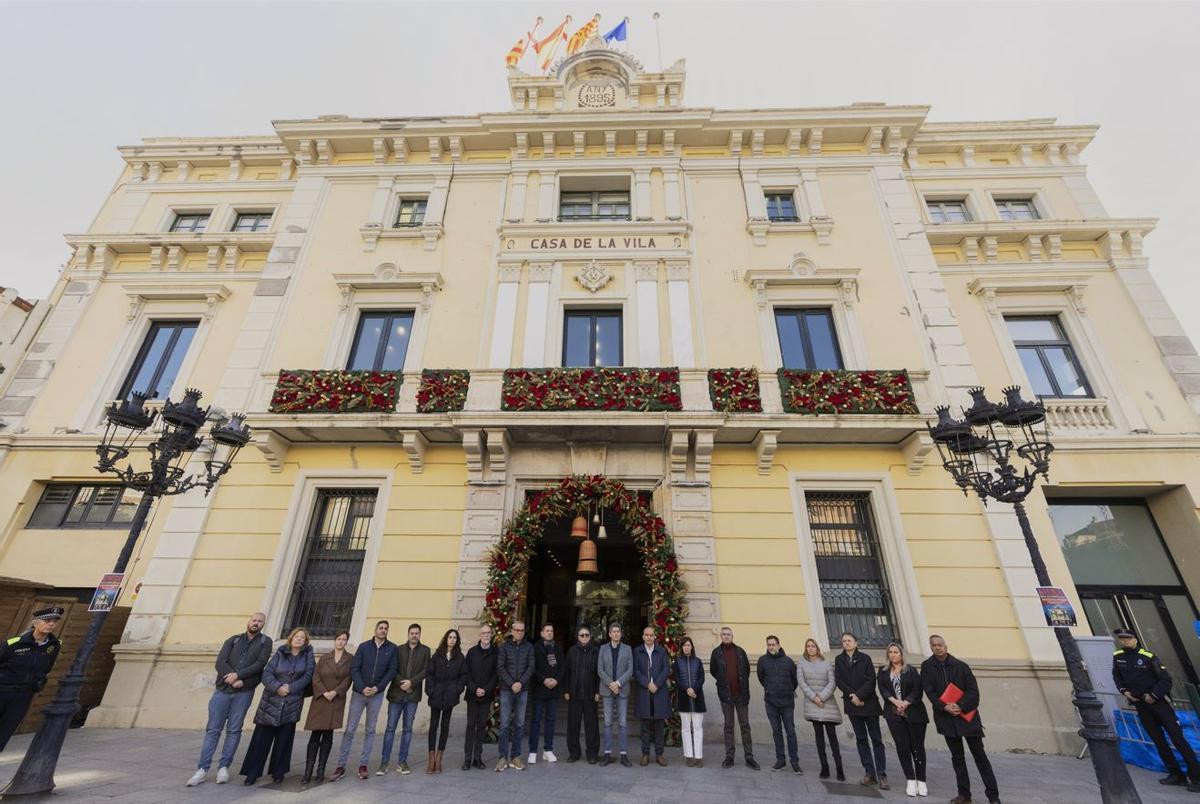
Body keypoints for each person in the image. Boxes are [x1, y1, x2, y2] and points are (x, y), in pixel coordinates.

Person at [187, 611, 271, 786]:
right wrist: (231, 677)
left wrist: (240, 677)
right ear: (248, 621)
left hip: (244, 692)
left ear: (263, 624)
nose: (256, 623)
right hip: (222, 690)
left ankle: (224, 767)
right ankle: (202, 769)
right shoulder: (233, 640)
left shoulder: (265, 642)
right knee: (213, 730)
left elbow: (260, 664)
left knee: (234, 730)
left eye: (260, 621)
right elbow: (220, 662)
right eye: (254, 620)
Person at [1111, 627, 1200, 791]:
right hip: (1141, 705)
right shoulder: (1118, 657)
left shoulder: (1149, 657)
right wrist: (1125, 691)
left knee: (1177, 739)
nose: (1125, 641)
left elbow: (1166, 680)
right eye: (1122, 638)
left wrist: (1154, 695)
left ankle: (1196, 777)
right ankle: (1176, 774)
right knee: (1158, 741)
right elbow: (1117, 677)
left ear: (1135, 639)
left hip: (1159, 704)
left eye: (1128, 638)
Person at [921, 635, 999, 804]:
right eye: (934, 645)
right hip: (946, 719)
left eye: (940, 644)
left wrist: (960, 706)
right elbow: (930, 691)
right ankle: (964, 795)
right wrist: (944, 706)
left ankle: (993, 796)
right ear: (931, 647)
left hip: (967, 718)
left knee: (980, 756)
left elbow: (973, 691)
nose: (937, 647)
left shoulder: (961, 666)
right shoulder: (927, 667)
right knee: (957, 758)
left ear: (946, 646)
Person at [239, 628, 315, 785]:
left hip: (292, 702)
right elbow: (267, 674)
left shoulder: (308, 656)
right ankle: (252, 773)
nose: (299, 639)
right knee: (261, 740)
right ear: (291, 638)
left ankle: (278, 772)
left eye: (302, 637)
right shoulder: (280, 653)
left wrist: (291, 688)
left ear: (305, 641)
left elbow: (308, 676)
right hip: (271, 701)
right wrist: (277, 687)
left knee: (284, 739)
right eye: (296, 636)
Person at [333, 620, 398, 782]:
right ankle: (341, 765)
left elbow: (392, 670)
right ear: (375, 630)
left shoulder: (392, 648)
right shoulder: (363, 647)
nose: (383, 630)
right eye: (380, 628)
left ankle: (363, 764)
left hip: (376, 695)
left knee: (370, 730)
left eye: (385, 629)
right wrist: (362, 687)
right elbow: (355, 668)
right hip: (359, 694)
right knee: (350, 729)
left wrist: (378, 687)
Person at [0, 606, 63, 755]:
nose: (51, 624)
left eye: (54, 621)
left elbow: (47, 666)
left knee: (6, 730)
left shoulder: (53, 645)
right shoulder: (14, 643)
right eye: (47, 621)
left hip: (23, 695)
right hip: (2, 690)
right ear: (35, 623)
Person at [835, 631, 888, 789]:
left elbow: (871, 680)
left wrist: (859, 695)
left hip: (869, 704)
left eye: (849, 640)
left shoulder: (865, 658)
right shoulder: (839, 659)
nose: (846, 643)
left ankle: (882, 774)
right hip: (852, 704)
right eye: (844, 641)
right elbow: (839, 680)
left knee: (876, 739)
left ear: (856, 643)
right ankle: (869, 773)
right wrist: (852, 696)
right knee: (861, 739)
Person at [878, 641, 928, 798]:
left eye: (896, 652)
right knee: (903, 747)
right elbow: (883, 689)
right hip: (893, 713)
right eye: (890, 652)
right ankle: (910, 780)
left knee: (917, 747)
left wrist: (906, 703)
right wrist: (896, 702)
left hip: (914, 714)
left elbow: (917, 690)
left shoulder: (911, 670)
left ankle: (921, 781)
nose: (893, 655)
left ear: (901, 654)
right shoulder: (883, 671)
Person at [303, 629, 352, 785]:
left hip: (335, 700)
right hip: (321, 700)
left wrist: (335, 692)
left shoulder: (350, 659)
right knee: (315, 735)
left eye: (344, 639)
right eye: (339, 639)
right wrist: (324, 692)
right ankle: (308, 770)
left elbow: (348, 679)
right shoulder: (324, 658)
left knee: (327, 736)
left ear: (346, 642)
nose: (341, 642)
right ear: (335, 640)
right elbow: (315, 677)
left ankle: (321, 770)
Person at [382, 623, 429, 776]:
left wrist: (411, 683)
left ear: (420, 635)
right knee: (390, 728)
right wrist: (402, 683)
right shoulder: (398, 649)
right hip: (396, 693)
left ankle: (402, 761)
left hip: (412, 695)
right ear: (408, 634)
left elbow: (425, 671)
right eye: (412, 633)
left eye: (417, 633)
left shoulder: (425, 650)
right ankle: (384, 762)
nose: (414, 635)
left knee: (407, 729)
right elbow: (392, 669)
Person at [709, 626, 759, 770]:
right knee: (728, 726)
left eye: (728, 634)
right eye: (724, 634)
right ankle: (729, 757)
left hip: (741, 695)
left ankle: (749, 757)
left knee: (745, 726)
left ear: (732, 636)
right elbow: (714, 671)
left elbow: (747, 670)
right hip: (726, 696)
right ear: (720, 636)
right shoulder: (716, 653)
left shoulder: (740, 652)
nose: (726, 636)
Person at [798, 637, 844, 781]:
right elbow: (802, 682)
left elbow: (832, 682)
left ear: (817, 648)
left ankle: (839, 768)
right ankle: (824, 767)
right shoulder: (802, 663)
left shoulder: (827, 663)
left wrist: (822, 697)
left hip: (827, 704)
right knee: (819, 738)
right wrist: (814, 698)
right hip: (813, 704)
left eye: (813, 646)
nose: (810, 648)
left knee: (832, 737)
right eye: (808, 646)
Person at [758, 635, 802, 774]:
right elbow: (761, 678)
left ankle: (794, 762)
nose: (771, 647)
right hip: (771, 702)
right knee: (777, 732)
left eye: (773, 644)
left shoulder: (788, 661)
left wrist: (786, 690)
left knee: (790, 731)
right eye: (769, 644)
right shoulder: (762, 661)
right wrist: (770, 690)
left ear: (778, 645)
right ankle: (780, 760)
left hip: (787, 702)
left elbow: (795, 681)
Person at [425, 628, 466, 774]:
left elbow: (463, 676)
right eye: (450, 637)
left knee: (445, 726)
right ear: (446, 639)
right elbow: (429, 674)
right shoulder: (437, 656)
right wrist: (431, 690)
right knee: (434, 726)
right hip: (436, 695)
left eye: (455, 638)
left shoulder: (460, 657)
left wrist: (457, 689)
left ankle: (439, 758)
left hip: (450, 696)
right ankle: (431, 760)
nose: (452, 640)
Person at [496, 620, 534, 771]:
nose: (519, 632)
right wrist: (512, 683)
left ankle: (516, 757)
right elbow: (500, 667)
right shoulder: (504, 647)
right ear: (512, 631)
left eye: (522, 630)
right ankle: (502, 758)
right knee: (504, 725)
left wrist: (520, 683)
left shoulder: (529, 647)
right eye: (517, 630)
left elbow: (531, 667)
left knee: (519, 724)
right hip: (506, 689)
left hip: (522, 690)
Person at [633, 626, 670, 766]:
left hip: (659, 692)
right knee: (645, 726)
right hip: (644, 691)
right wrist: (647, 684)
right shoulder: (637, 651)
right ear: (643, 636)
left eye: (651, 635)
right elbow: (635, 671)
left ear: (655, 637)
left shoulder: (661, 651)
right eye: (646, 635)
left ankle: (659, 754)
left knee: (659, 725)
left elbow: (666, 669)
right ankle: (645, 754)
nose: (649, 637)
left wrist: (657, 684)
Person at [563, 624, 601, 764]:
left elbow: (599, 674)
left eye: (586, 635)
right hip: (574, 694)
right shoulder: (572, 651)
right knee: (573, 725)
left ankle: (592, 754)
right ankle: (574, 753)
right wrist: (566, 690)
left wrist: (597, 691)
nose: (584, 637)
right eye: (582, 635)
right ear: (577, 637)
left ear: (590, 637)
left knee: (592, 726)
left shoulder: (596, 651)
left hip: (590, 695)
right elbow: (566, 672)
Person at [597, 622, 633, 767]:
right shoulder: (603, 649)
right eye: (614, 631)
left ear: (621, 633)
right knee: (607, 723)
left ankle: (623, 754)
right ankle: (607, 753)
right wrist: (611, 684)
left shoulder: (628, 649)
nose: (616, 633)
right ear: (610, 634)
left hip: (622, 690)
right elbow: (600, 670)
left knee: (623, 723)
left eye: (618, 631)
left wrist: (617, 684)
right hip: (607, 690)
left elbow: (630, 670)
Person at [463, 624, 498, 770]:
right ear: (479, 635)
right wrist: (474, 688)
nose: (486, 635)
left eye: (488, 633)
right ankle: (467, 758)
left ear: (491, 635)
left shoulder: (496, 652)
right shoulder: (472, 652)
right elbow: (466, 673)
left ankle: (478, 757)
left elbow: (496, 674)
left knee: (481, 726)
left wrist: (486, 689)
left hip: (486, 696)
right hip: (472, 695)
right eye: (483, 633)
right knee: (471, 725)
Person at [529, 622, 564, 765]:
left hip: (554, 690)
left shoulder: (558, 648)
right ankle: (533, 751)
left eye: (551, 631)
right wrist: (544, 680)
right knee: (536, 721)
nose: (550, 633)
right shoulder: (535, 648)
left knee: (551, 720)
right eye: (547, 631)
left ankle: (548, 750)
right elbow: (532, 667)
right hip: (540, 689)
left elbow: (563, 667)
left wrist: (556, 680)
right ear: (542, 633)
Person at [675, 636, 706, 768]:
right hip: (684, 698)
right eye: (684, 645)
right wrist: (687, 689)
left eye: (688, 645)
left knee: (698, 728)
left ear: (692, 647)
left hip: (697, 698)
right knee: (686, 728)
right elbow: (677, 678)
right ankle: (689, 756)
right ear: (681, 648)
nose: (686, 647)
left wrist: (694, 689)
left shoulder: (698, 661)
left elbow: (701, 678)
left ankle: (698, 757)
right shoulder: (677, 662)